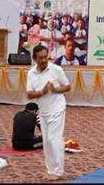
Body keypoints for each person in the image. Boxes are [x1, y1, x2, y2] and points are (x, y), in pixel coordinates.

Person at [26, 44, 71, 181]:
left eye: (46, 57)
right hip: (43, 111)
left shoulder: (56, 69)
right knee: (46, 141)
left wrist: (55, 90)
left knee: (54, 139)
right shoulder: (31, 73)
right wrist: (42, 92)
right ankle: (51, 170)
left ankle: (58, 171)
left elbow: (68, 86)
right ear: (34, 58)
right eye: (41, 58)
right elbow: (29, 95)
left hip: (57, 108)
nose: (44, 60)